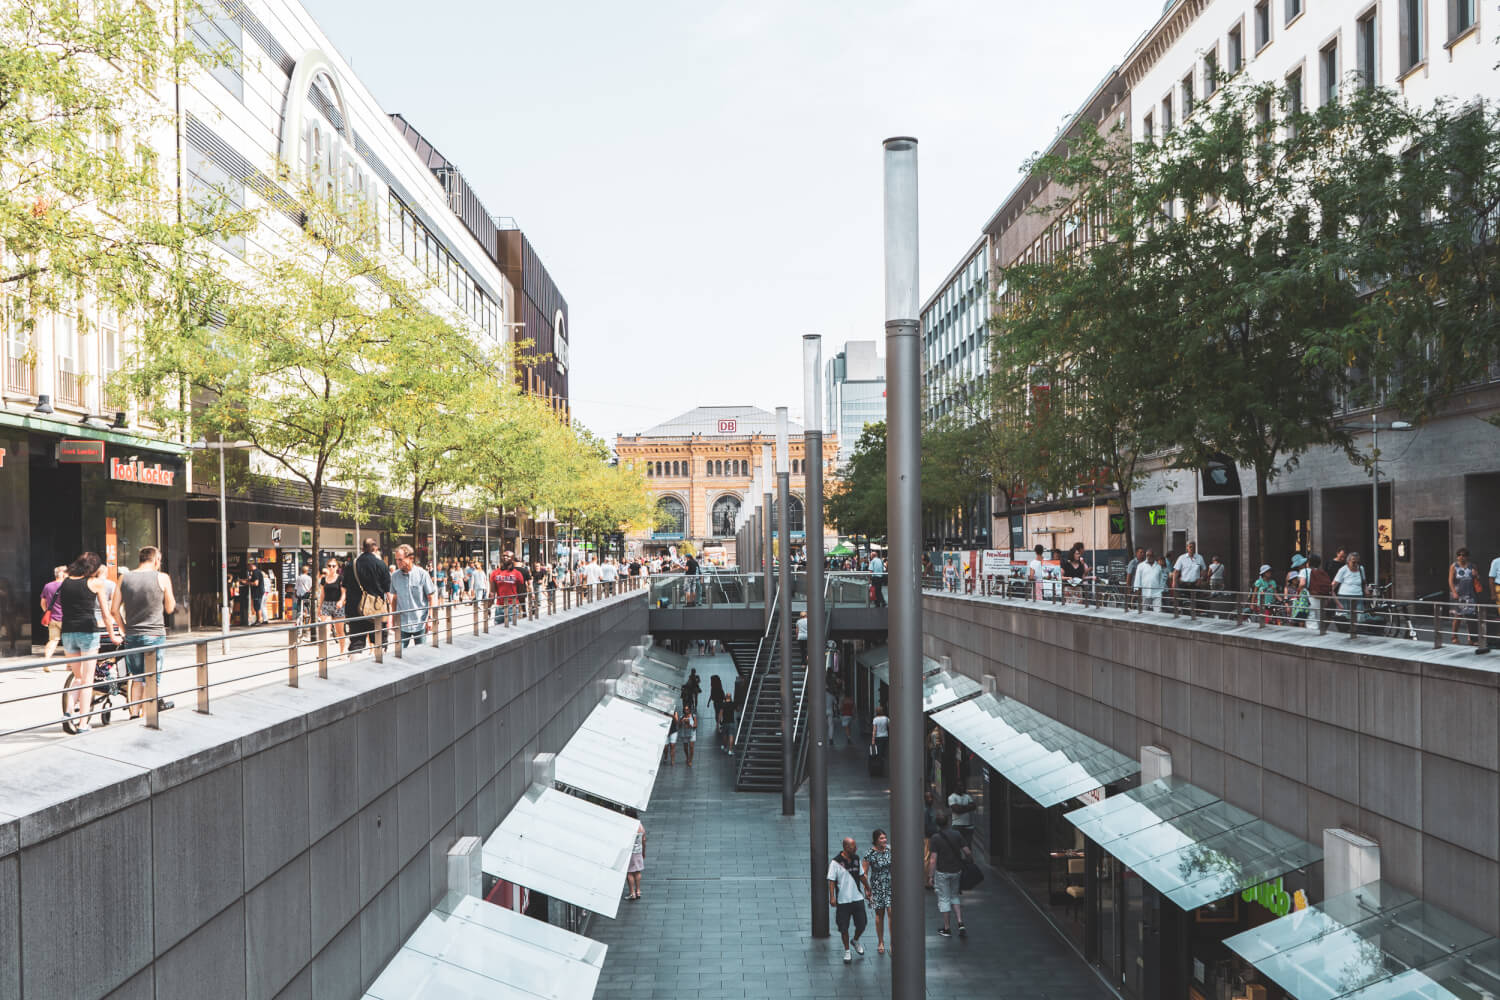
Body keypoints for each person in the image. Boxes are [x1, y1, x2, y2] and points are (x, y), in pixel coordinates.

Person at [112, 546, 178, 719]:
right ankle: (150, 716)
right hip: (154, 634)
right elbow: (170, 608)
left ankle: (134, 714)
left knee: (137, 677)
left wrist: (125, 629)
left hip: (132, 635)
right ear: (156, 560)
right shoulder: (162, 577)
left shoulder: (123, 578)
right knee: (152, 677)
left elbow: (114, 610)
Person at [58, 552, 121, 731]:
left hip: (68, 633)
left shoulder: (65, 582)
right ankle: (83, 723)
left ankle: (68, 712)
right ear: (93, 567)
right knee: (87, 681)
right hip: (88, 632)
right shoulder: (95, 583)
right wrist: (114, 636)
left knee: (77, 678)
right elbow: (107, 615)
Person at [343, 539, 391, 656]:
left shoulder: (351, 565)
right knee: (379, 642)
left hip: (355, 610)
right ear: (375, 549)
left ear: (362, 548)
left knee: (356, 644)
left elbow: (344, 586)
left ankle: (356, 671)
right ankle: (379, 668)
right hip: (376, 610)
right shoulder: (381, 565)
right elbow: (387, 590)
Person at [827, 837, 868, 964]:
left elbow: (861, 875)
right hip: (843, 901)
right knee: (843, 927)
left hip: (857, 898)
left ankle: (855, 940)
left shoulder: (856, 859)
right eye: (852, 847)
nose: (855, 848)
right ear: (845, 847)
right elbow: (831, 880)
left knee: (862, 923)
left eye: (855, 846)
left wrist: (868, 887)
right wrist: (832, 897)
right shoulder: (836, 862)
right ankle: (847, 951)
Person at [930, 812, 971, 938]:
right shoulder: (957, 834)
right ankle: (960, 922)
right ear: (948, 822)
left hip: (942, 872)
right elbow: (967, 851)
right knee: (954, 896)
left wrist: (930, 876)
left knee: (944, 899)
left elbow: (933, 858)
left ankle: (947, 928)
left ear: (937, 824)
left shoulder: (935, 838)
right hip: (956, 871)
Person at [390, 544, 436, 647]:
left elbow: (431, 597)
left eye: (400, 560)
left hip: (420, 623)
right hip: (402, 624)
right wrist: (393, 618)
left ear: (410, 558)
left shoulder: (422, 574)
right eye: (396, 559)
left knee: (421, 656)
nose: (397, 562)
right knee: (400, 655)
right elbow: (394, 599)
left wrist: (430, 618)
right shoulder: (395, 576)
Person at [863, 829, 894, 956]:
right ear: (876, 840)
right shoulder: (869, 853)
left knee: (892, 913)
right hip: (876, 886)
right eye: (881, 838)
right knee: (879, 914)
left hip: (890, 885)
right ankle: (880, 941)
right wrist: (867, 888)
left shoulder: (890, 850)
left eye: (885, 838)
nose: (884, 840)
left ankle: (893, 943)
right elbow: (864, 872)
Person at [1449, 548, 1486, 645]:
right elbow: (1450, 580)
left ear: (1467, 557)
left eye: (1464, 555)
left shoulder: (1472, 566)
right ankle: (1454, 636)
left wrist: (1476, 575)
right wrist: (1454, 592)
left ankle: (1472, 639)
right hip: (1459, 594)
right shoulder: (1454, 566)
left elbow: (1478, 579)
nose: (1462, 557)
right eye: (1460, 555)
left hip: (1470, 594)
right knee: (1458, 616)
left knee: (1471, 616)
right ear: (1457, 556)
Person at [318, 558, 347, 655]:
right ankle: (323, 653)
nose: (331, 567)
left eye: (333, 566)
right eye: (329, 565)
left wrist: (341, 601)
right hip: (326, 605)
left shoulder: (340, 578)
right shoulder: (323, 579)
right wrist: (319, 607)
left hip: (338, 606)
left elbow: (344, 593)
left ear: (337, 567)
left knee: (340, 631)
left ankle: (342, 652)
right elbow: (322, 594)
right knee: (325, 630)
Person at [39, 565, 67, 664]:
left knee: (53, 640)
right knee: (68, 642)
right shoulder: (67, 585)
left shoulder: (48, 586)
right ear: (63, 574)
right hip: (66, 618)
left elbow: (43, 602)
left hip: (53, 618)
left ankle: (47, 660)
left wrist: (47, 612)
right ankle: (69, 664)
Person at [1333, 551, 1370, 622]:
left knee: (1359, 618)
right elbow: (1334, 584)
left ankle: (1356, 631)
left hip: (1358, 596)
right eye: (1353, 562)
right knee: (1345, 618)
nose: (1356, 564)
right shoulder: (1343, 569)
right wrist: (1336, 600)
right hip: (1344, 596)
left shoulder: (1361, 568)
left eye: (1357, 562)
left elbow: (1364, 581)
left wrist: (1366, 589)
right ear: (1348, 561)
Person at [1173, 541, 1207, 613]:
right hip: (1184, 585)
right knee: (1183, 604)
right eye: (1190, 547)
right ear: (1187, 548)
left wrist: (1201, 579)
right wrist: (1174, 582)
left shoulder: (1199, 557)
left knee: (1195, 604)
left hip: (1195, 585)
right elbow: (1176, 571)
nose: (1192, 548)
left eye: (1194, 547)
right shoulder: (1181, 558)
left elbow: (1204, 570)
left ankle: (1193, 618)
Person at [491, 557, 524, 627]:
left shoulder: (517, 574)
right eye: (504, 556)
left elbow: (521, 592)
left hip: (512, 606)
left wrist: (522, 608)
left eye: (508, 556)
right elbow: (492, 593)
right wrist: (488, 607)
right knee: (497, 629)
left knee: (512, 629)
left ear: (512, 559)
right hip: (499, 607)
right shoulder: (495, 573)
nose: (505, 557)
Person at [1305, 553, 1332, 630]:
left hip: (1312, 597)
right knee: (1319, 619)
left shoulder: (1306, 571)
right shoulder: (1322, 572)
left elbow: (1303, 583)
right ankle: (1320, 633)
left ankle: (1312, 638)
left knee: (1311, 619)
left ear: (1309, 562)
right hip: (1322, 598)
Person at [625, 809, 646, 900]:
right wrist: (643, 852)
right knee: (637, 871)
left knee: (629, 872)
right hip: (638, 851)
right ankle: (638, 891)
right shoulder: (640, 825)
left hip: (630, 852)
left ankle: (632, 893)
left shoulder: (628, 826)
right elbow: (644, 840)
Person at [676, 699, 698, 766]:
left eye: (687, 709)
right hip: (684, 734)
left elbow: (695, 725)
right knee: (685, 747)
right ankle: (687, 757)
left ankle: (690, 760)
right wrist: (681, 722)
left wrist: (689, 724)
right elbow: (679, 726)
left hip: (692, 733)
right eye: (685, 710)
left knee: (691, 747)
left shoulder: (693, 716)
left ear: (689, 710)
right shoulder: (681, 717)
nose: (686, 711)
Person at [294, 563, 314, 633]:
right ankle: (307, 620)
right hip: (306, 594)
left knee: (299, 607)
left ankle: (299, 620)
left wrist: (295, 593)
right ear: (307, 571)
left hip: (299, 594)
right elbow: (311, 586)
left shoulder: (299, 577)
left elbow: (296, 587)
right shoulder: (309, 578)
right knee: (307, 607)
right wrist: (308, 590)